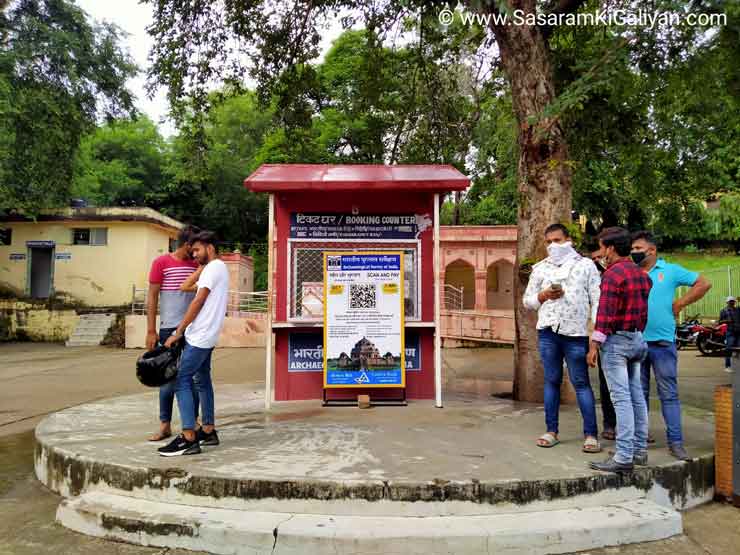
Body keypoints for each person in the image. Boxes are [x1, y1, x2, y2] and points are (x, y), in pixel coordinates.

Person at [630, 231, 711, 461]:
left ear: (652, 250)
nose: (634, 252)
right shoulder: (631, 272)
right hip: (635, 341)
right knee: (638, 394)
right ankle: (639, 441)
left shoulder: (670, 270)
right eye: (633, 249)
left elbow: (704, 283)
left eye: (638, 248)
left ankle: (676, 443)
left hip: (662, 343)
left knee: (669, 394)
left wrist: (680, 303)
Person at [523, 223, 602, 453]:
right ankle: (551, 431)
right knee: (551, 381)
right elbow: (527, 301)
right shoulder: (540, 268)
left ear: (569, 240)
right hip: (548, 332)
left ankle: (590, 435)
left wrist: (594, 337)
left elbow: (597, 300)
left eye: (557, 240)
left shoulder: (586, 266)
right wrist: (543, 295)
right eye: (548, 242)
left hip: (575, 334)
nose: (552, 246)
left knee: (581, 383)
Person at [159, 231, 230, 457]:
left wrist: (178, 331)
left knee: (182, 379)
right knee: (202, 379)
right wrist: (201, 267)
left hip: (199, 336)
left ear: (210, 247)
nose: (194, 255)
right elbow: (186, 286)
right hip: (207, 335)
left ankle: (188, 437)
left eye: (198, 250)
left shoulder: (213, 268)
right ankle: (208, 430)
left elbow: (198, 300)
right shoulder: (218, 268)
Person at [588, 227, 652, 473]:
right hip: (637, 339)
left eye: (602, 247)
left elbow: (605, 315)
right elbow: (643, 312)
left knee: (621, 399)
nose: (601, 252)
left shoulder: (612, 276)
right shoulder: (641, 274)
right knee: (636, 397)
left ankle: (624, 457)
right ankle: (639, 451)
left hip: (617, 343)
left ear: (611, 248)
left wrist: (594, 345)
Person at [146, 225, 200, 442]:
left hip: (194, 329)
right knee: (167, 379)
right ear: (186, 244)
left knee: (193, 378)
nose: (197, 251)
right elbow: (152, 297)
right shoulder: (161, 263)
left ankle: (192, 421)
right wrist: (151, 330)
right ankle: (165, 424)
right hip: (168, 329)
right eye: (194, 246)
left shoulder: (198, 265)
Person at [589, 245, 617, 441]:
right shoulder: (592, 280)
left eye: (602, 255)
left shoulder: (620, 274)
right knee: (606, 383)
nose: (601, 259)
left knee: (634, 385)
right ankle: (609, 424)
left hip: (624, 335)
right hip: (602, 336)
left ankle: (637, 427)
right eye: (596, 257)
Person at [719, 296, 740, 372]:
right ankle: (727, 366)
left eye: (733, 301)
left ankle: (737, 366)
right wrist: (726, 321)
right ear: (727, 302)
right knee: (729, 348)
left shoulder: (738, 310)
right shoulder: (723, 311)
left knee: (738, 349)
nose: (732, 302)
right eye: (730, 301)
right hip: (730, 331)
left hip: (738, 332)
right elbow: (720, 321)